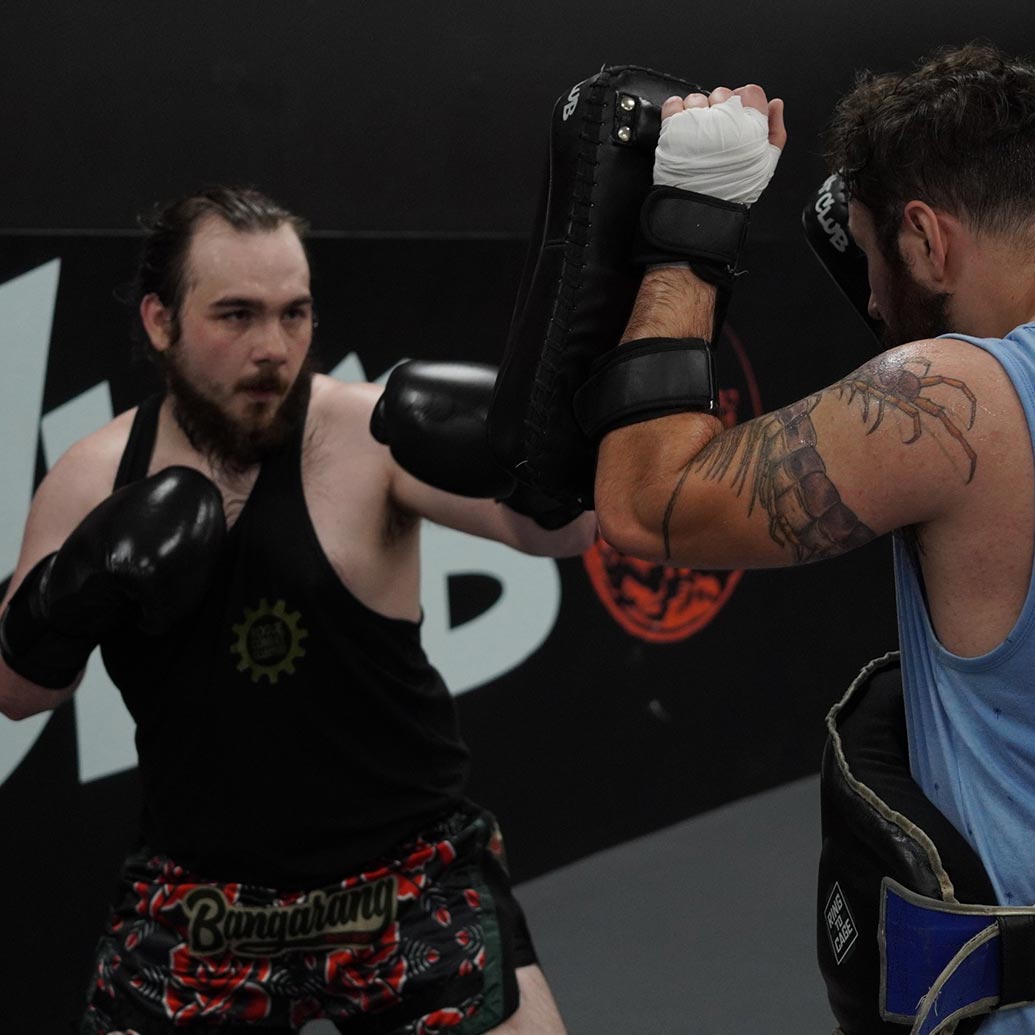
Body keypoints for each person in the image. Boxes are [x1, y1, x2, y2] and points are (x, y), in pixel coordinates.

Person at [0, 186, 595, 1034]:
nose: (273, 348)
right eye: (236, 315)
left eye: (294, 313)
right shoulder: (96, 476)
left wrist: (540, 459)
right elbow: (18, 691)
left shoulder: (370, 432)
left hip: (404, 879)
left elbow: (564, 533)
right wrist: (76, 585)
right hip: (204, 902)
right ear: (160, 321)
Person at [586, 43, 1035, 1034]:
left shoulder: (958, 399)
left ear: (926, 239)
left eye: (874, 261)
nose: (871, 302)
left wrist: (691, 223)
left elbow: (645, 504)